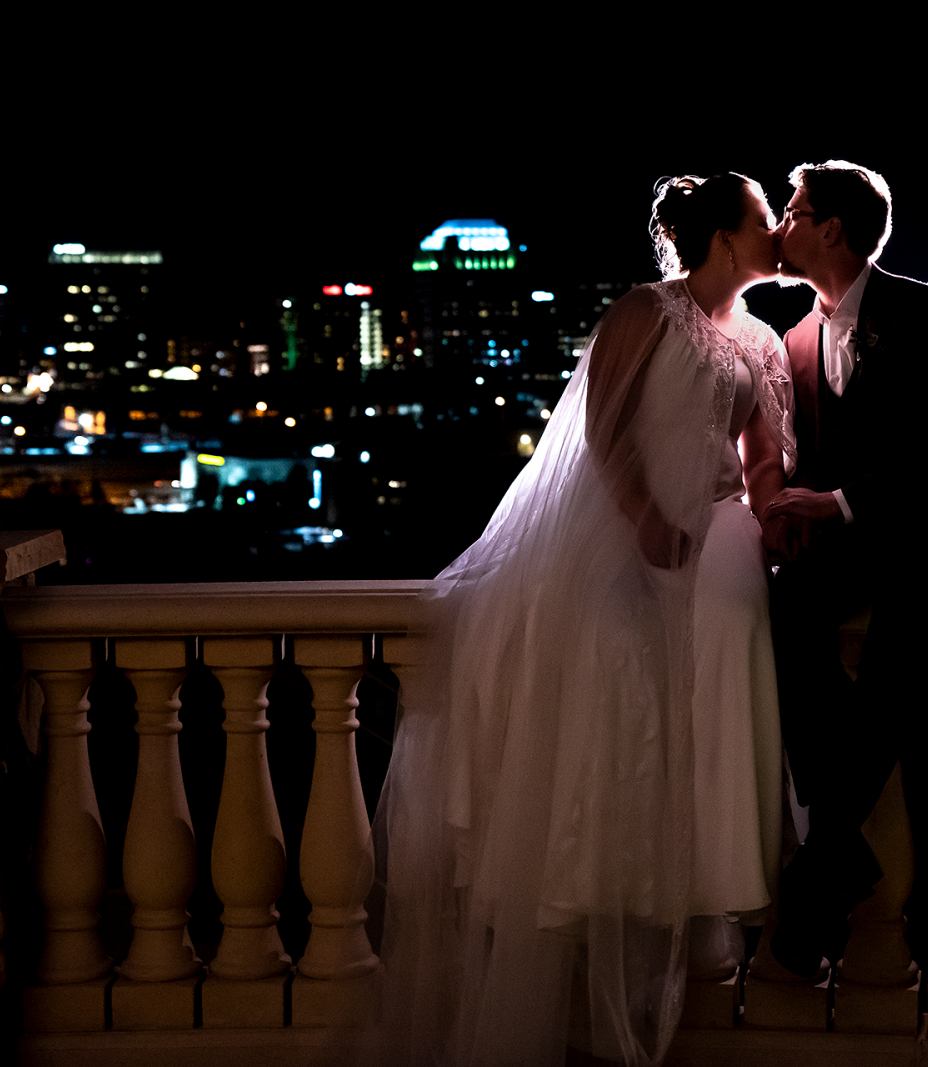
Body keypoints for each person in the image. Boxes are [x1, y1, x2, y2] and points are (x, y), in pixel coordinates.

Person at [349, 173, 795, 1066]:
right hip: (631, 541)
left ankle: (677, 903)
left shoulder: (761, 342)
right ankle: (593, 928)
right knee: (614, 705)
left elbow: (759, 459)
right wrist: (644, 520)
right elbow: (604, 428)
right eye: (761, 221)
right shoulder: (645, 311)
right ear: (720, 238)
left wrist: (778, 514)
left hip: (711, 553)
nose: (778, 232)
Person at [761, 160, 928, 978]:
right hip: (866, 540)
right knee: (781, 609)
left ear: (832, 229)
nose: (781, 225)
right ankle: (837, 847)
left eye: (793, 210)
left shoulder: (926, 313)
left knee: (893, 654)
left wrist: (831, 504)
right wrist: (800, 516)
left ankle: (825, 857)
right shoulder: (797, 338)